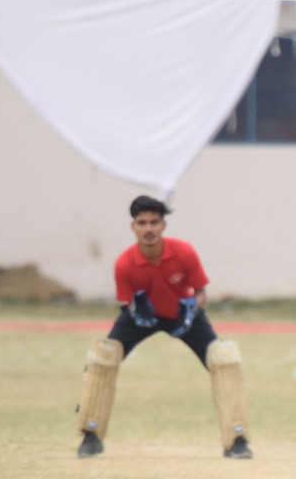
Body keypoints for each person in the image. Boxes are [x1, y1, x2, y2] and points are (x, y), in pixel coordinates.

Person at [74, 195, 252, 460]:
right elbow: (126, 300)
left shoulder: (184, 252)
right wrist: (136, 309)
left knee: (223, 359)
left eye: (154, 222)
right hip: (141, 316)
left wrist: (191, 308)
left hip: (182, 313)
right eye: (142, 223)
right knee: (103, 356)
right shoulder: (124, 263)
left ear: (163, 225)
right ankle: (91, 435)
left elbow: (201, 292)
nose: (149, 229)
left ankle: (236, 439)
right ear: (133, 226)